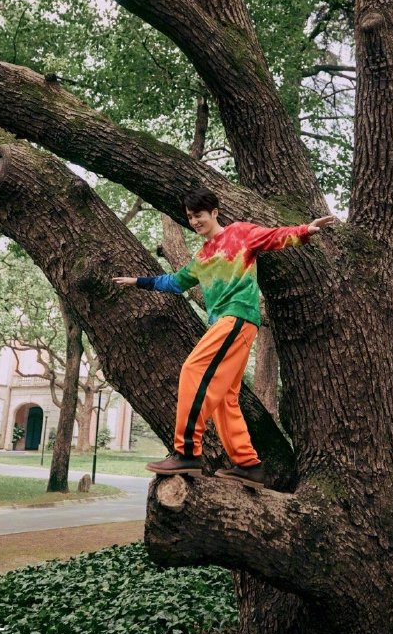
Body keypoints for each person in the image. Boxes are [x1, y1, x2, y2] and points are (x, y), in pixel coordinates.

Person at [113, 187, 336, 490]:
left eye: (199, 215)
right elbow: (175, 282)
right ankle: (249, 465)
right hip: (226, 325)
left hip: (237, 317)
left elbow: (273, 236)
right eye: (190, 217)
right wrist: (138, 281)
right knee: (224, 399)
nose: (194, 221)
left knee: (194, 370)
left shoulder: (240, 233)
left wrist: (306, 230)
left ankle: (187, 452)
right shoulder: (202, 257)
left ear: (214, 212)